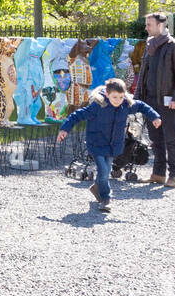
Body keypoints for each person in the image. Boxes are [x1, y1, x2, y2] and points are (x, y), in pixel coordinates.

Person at [57, 78, 162, 213]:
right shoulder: (98, 106)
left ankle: (97, 187)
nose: (118, 100)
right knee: (104, 170)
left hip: (112, 145)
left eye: (121, 97)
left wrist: (154, 116)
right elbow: (77, 115)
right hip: (97, 143)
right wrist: (65, 129)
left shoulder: (125, 105)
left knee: (105, 170)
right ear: (107, 94)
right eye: (114, 97)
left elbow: (142, 106)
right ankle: (106, 199)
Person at [136, 12, 175, 188]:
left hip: (168, 102)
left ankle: (174, 175)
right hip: (149, 100)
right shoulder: (150, 45)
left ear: (161, 25)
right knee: (155, 138)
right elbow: (143, 73)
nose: (146, 27)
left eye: (149, 24)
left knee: (170, 139)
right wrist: (137, 99)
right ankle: (158, 174)